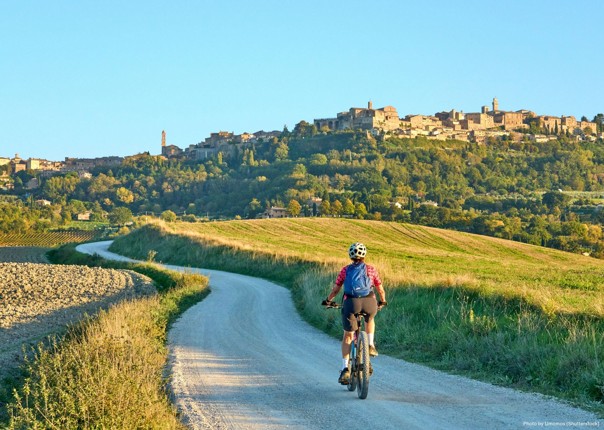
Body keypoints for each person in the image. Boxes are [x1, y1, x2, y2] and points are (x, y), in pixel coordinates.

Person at [322, 242, 387, 385]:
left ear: (350, 255)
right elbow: (380, 289)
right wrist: (382, 301)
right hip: (369, 302)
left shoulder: (345, 270)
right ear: (364, 255)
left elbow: (336, 289)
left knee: (348, 335)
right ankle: (370, 344)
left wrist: (328, 300)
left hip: (351, 303)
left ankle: (345, 368)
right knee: (369, 320)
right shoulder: (371, 269)